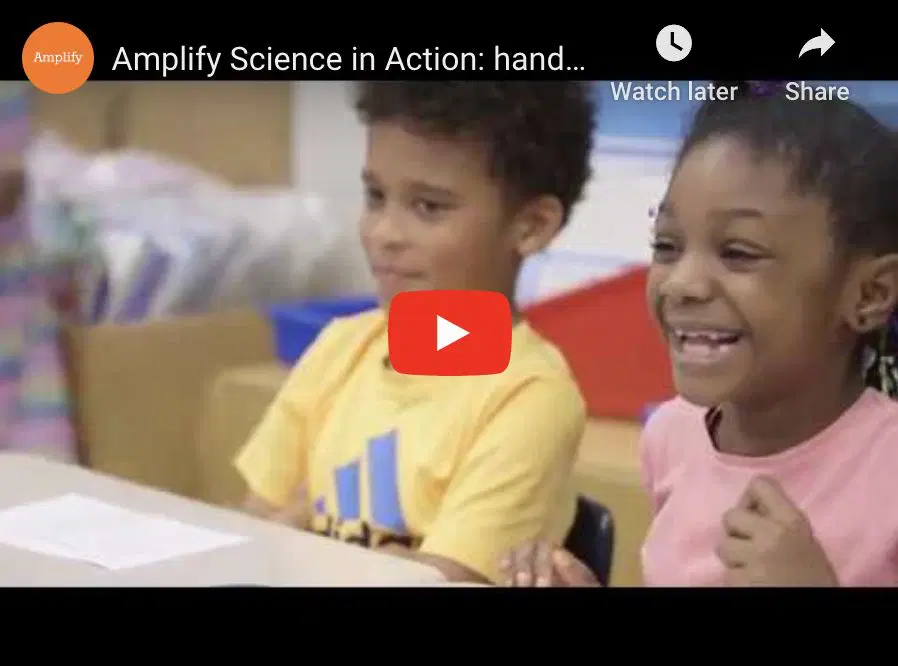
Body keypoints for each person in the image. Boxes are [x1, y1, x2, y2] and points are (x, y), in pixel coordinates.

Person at [503, 82, 898, 587]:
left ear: (868, 295)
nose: (682, 284)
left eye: (738, 252)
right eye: (667, 245)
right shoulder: (673, 435)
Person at [234, 82, 596, 585]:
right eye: (376, 196)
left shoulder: (530, 396)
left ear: (531, 226)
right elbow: (248, 530)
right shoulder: (340, 347)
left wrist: (299, 540)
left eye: (428, 207)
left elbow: (436, 581)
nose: (383, 232)